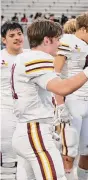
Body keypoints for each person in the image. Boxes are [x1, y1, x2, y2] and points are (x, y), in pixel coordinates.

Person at [11, 19, 88, 180]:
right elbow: (62, 88)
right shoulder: (38, 57)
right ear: (47, 40)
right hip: (34, 131)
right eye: (57, 39)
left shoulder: (25, 56)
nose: (60, 43)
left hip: (30, 128)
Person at [53, 13, 88, 180]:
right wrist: (60, 104)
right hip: (71, 101)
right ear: (83, 29)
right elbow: (55, 75)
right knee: (69, 151)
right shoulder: (67, 42)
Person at [1, 21, 27, 180]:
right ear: (4, 39)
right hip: (5, 112)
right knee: (8, 160)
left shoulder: (31, 56)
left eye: (19, 34)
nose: (17, 38)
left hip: (29, 114)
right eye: (12, 35)